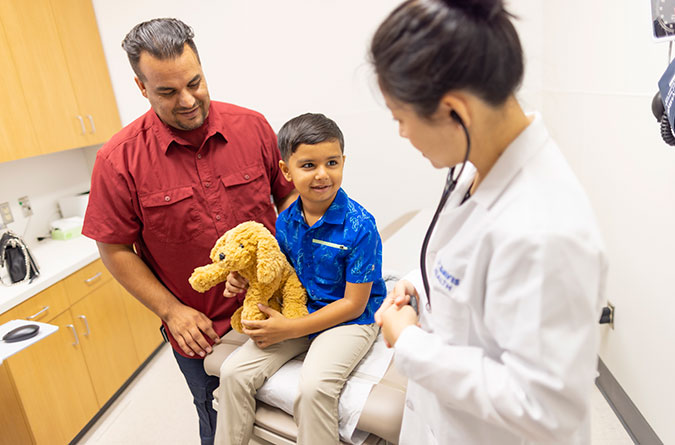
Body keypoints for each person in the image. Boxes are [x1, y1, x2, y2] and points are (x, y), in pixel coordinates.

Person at [370, 1, 608, 444]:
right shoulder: (475, 165)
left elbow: (545, 407)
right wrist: (416, 285)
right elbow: (463, 266)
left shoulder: (546, 229)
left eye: (401, 118)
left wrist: (409, 344)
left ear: (456, 110)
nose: (402, 134)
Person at [81, 18, 297, 445]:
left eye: (194, 83)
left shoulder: (252, 127)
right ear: (142, 88)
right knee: (221, 427)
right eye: (167, 91)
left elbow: (288, 198)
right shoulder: (117, 160)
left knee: (291, 424)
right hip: (203, 332)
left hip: (279, 310)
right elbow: (115, 248)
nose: (187, 100)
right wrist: (171, 311)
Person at [216, 113, 386, 445]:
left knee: (313, 389)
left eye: (332, 162)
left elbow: (354, 304)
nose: (323, 174)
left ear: (343, 162)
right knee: (233, 373)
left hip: (350, 319)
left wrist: (291, 329)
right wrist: (243, 279)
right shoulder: (286, 221)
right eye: (308, 165)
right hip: (300, 309)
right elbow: (280, 274)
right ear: (285, 171)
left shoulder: (360, 226)